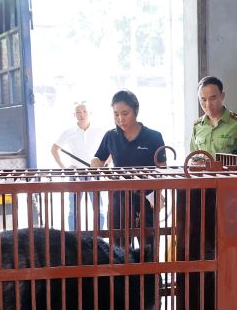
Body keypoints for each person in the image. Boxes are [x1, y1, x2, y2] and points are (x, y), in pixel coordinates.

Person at [91, 90, 166, 229]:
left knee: (148, 246)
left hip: (147, 199)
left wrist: (158, 193)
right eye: (116, 114)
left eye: (125, 113)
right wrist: (95, 165)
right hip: (118, 200)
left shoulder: (154, 136)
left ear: (136, 111)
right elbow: (98, 159)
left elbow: (162, 167)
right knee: (118, 247)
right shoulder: (110, 136)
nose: (120, 119)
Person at [51, 101, 107, 230]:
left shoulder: (99, 130)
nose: (81, 114)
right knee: (73, 211)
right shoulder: (68, 132)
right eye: (78, 112)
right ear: (74, 115)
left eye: (84, 111)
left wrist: (105, 164)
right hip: (75, 173)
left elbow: (111, 149)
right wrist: (64, 169)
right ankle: (73, 241)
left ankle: (99, 239)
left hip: (94, 173)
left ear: (90, 113)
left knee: (99, 209)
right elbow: (54, 149)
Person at [188, 76, 237, 156]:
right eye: (203, 100)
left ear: (222, 96)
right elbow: (192, 157)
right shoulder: (197, 126)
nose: (208, 104)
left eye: (212, 98)